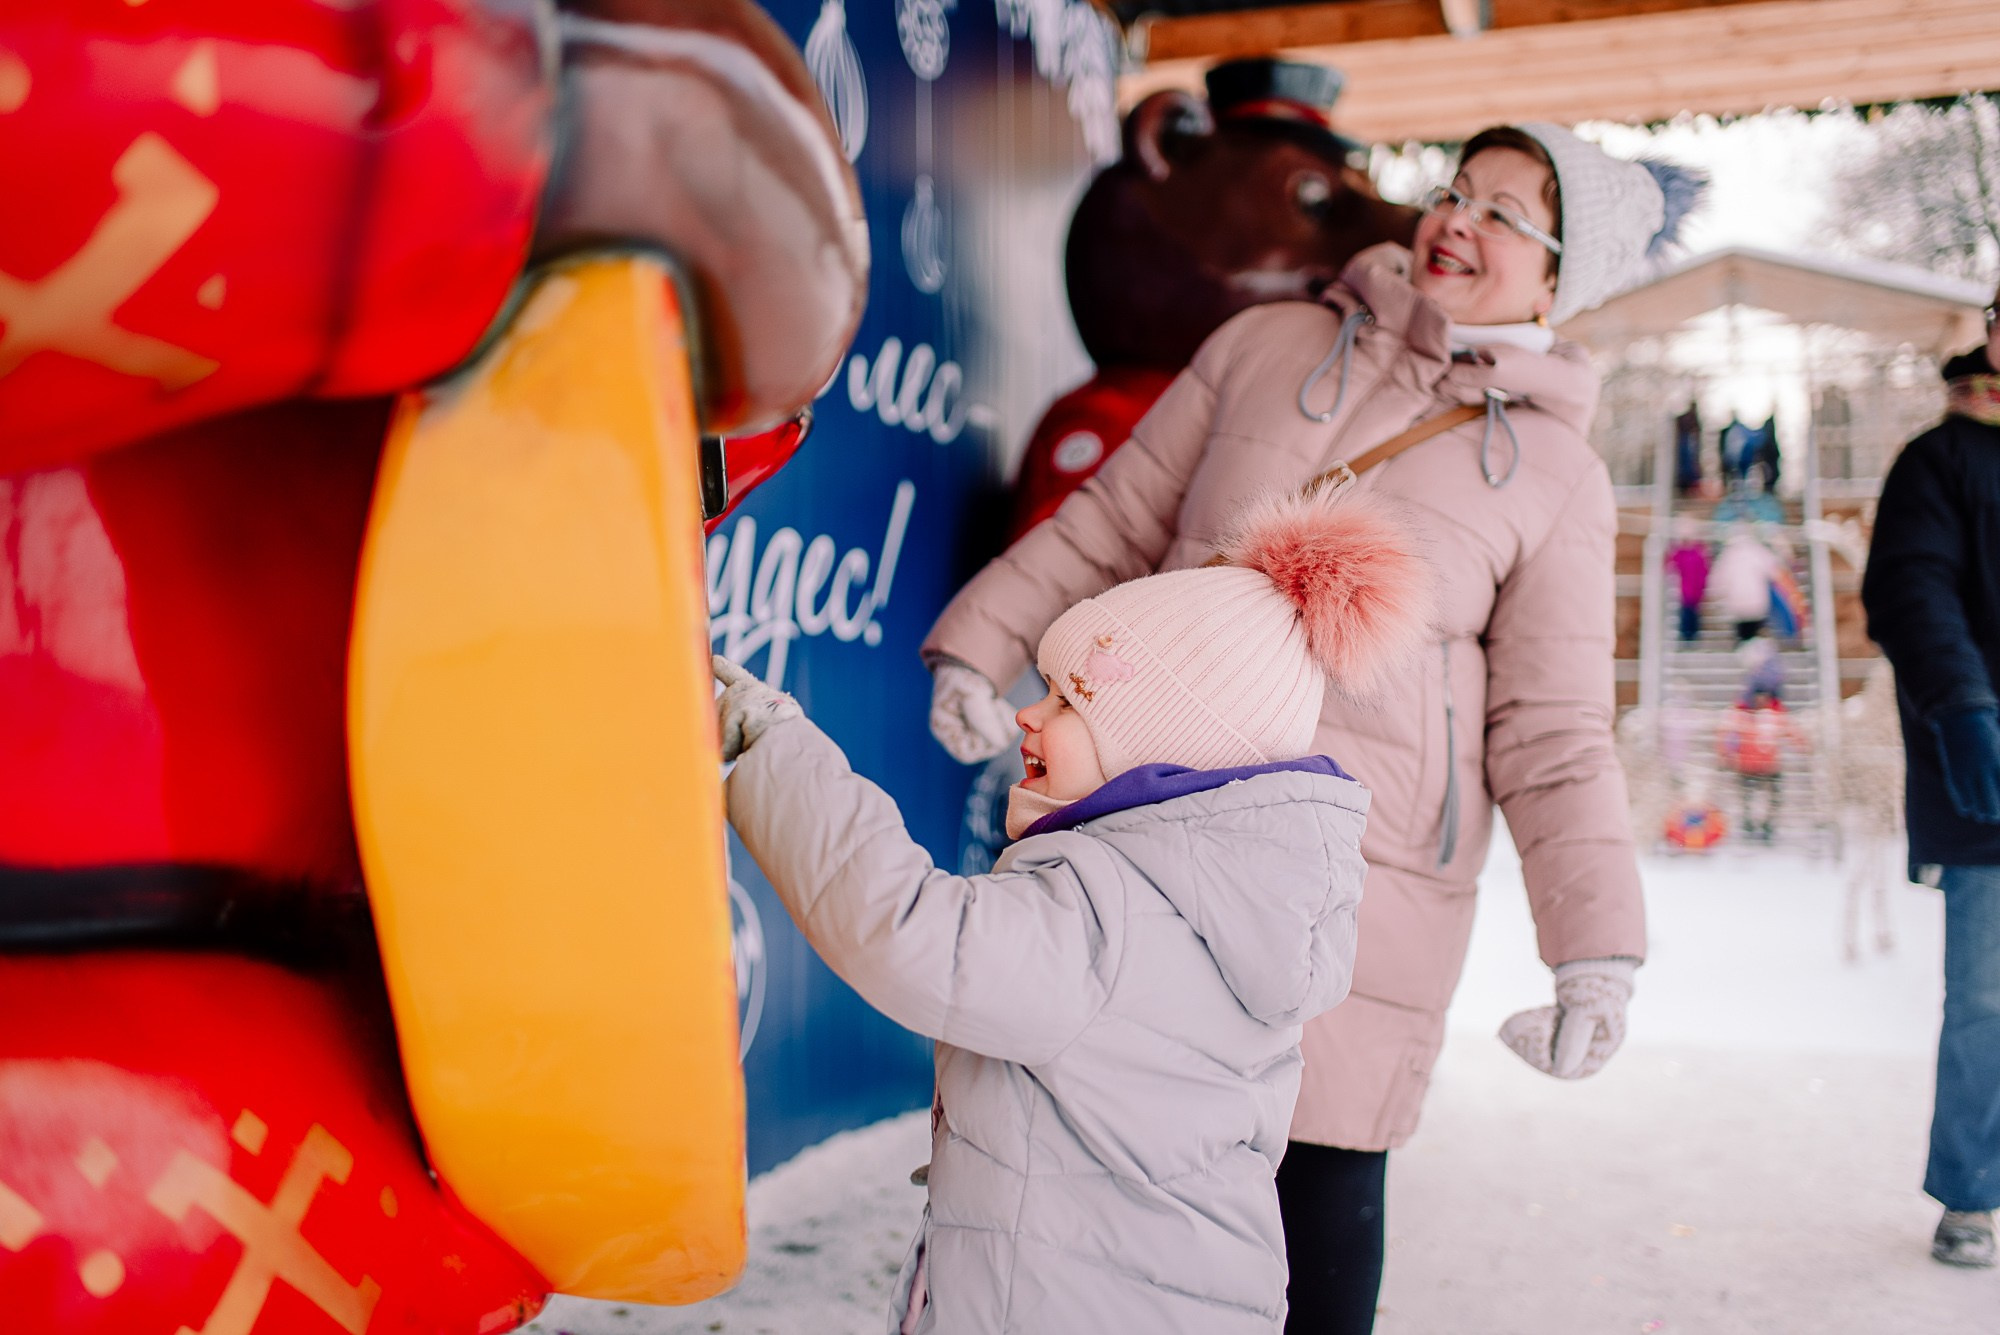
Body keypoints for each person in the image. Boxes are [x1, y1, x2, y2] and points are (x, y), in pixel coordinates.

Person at [922, 122, 1699, 1331]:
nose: (1456, 221)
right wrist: (980, 643)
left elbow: (1551, 730)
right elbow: (1112, 522)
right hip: (1141, 831)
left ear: (1560, 281)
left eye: (1506, 214)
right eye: (1454, 190)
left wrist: (1593, 950)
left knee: (1316, 1205)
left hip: (1357, 890)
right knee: (1090, 1186)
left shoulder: (1555, 475)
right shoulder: (1264, 344)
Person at [718, 487, 1435, 1333]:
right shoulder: (1211, 898)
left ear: (1157, 744)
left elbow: (912, 933)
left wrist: (771, 744)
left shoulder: (1116, 913)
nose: (1030, 710)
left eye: (1067, 700)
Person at [1862, 294, 2000, 1270]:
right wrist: (1961, 708)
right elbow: (1910, 586)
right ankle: (1971, 1190)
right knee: (1987, 999)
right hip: (1989, 771)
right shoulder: (1937, 463)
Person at [1716, 683, 1803, 842]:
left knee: (1774, 798)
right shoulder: (1741, 714)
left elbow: (1791, 731)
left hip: (1769, 766)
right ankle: (1749, 825)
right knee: (1747, 799)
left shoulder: (1775, 715)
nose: (1761, 700)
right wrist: (1725, 754)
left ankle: (1767, 826)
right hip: (1747, 766)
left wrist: (1801, 745)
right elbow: (1726, 734)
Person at [1709, 525, 1782, 644]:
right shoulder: (1757, 551)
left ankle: (1747, 654)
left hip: (1737, 603)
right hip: (1757, 601)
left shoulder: (1728, 554)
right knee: (1755, 633)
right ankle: (1755, 655)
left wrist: (1716, 592)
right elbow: (1774, 570)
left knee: (1743, 634)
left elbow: (1719, 576)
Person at [1665, 519, 1711, 642]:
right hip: (1686, 587)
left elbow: (1704, 569)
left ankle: (1692, 634)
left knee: (1693, 611)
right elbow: (1671, 564)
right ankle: (1687, 634)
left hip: (1695, 586)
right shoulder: (1682, 553)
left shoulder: (1697, 552)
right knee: (1687, 612)